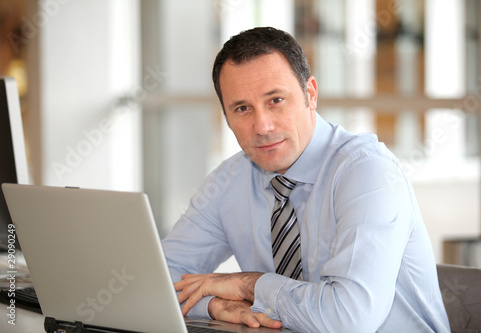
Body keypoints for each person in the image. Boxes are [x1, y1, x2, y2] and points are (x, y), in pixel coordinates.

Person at [162, 27, 450, 332]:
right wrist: (215, 304)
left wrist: (249, 285)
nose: (262, 126)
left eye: (275, 100)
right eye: (242, 108)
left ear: (310, 94)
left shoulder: (367, 172)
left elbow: (349, 320)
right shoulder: (228, 183)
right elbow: (159, 277)